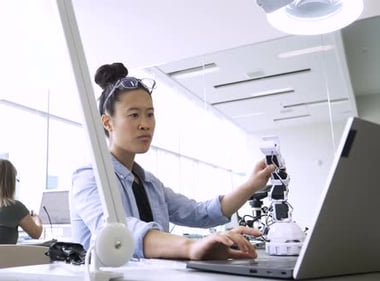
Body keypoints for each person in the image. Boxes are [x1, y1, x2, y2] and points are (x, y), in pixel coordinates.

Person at [71, 62, 277, 261]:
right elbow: (119, 232)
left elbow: (201, 214)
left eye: (150, 114)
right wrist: (191, 246)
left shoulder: (149, 183)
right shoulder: (89, 176)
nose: (145, 124)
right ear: (108, 122)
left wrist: (252, 185)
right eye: (134, 115)